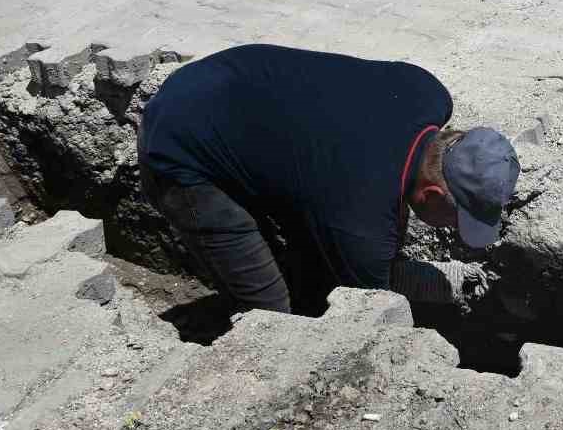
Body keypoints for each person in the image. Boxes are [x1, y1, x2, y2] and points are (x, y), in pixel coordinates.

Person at [138, 44, 520, 316]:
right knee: (275, 317)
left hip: (223, 79)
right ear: (433, 193)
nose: (455, 230)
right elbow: (371, 288)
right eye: (458, 220)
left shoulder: (426, 91)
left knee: (311, 262)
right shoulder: (359, 216)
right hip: (182, 146)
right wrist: (446, 281)